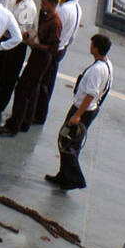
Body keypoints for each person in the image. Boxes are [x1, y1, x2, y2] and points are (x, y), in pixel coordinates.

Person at [46, 34, 114, 191]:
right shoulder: (107, 64)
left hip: (82, 111)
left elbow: (91, 93)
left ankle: (75, 178)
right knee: (69, 142)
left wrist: (77, 115)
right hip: (89, 109)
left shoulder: (97, 70)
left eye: (92, 44)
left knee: (67, 142)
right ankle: (63, 175)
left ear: (95, 48)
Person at [0, 0, 61, 135]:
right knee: (32, 89)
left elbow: (53, 47)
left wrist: (34, 44)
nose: (42, 6)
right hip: (37, 56)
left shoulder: (55, 23)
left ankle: (13, 125)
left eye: (44, 3)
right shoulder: (46, 17)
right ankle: (25, 121)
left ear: (52, 4)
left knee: (23, 91)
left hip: (42, 58)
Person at [36, 0, 83, 125]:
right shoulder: (77, 8)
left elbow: (54, 30)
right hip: (62, 48)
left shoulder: (63, 10)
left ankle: (38, 114)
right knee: (48, 82)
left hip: (53, 50)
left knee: (43, 83)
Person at [0, 0, 37, 115]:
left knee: (9, 77)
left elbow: (20, 33)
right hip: (7, 40)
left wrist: (6, 30)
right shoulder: (15, 1)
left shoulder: (27, 8)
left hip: (16, 46)